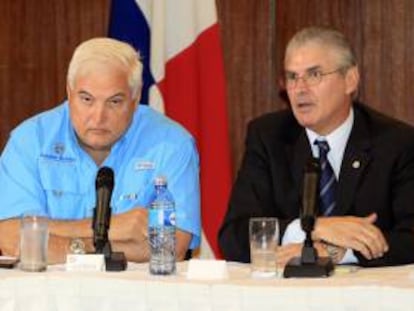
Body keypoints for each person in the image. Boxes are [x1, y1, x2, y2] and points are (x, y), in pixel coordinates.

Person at [218, 26, 414, 267]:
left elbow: (410, 237)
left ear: (350, 80)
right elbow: (234, 236)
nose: (300, 89)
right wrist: (314, 228)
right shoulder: (268, 137)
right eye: (292, 77)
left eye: (314, 75)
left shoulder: (396, 142)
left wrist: (336, 252)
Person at [0, 38, 200, 263]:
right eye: (86, 99)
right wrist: (112, 228)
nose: (98, 117)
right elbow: (11, 239)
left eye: (114, 102)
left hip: (137, 295)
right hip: (47, 296)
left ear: (135, 100)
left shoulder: (172, 144)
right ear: (69, 91)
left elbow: (172, 247)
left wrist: (61, 244)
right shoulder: (30, 141)